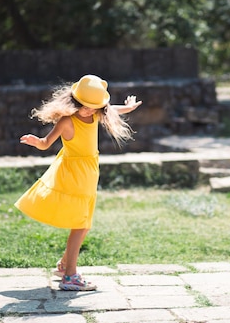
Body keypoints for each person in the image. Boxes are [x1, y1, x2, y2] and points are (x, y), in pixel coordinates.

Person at [15, 74, 142, 291]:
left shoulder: (95, 115)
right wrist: (36, 142)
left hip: (89, 173)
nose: (89, 110)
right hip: (74, 174)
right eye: (85, 106)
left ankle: (65, 266)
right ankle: (70, 276)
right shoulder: (67, 121)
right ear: (74, 102)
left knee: (84, 223)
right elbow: (46, 144)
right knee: (81, 224)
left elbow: (112, 110)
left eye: (95, 107)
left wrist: (127, 108)